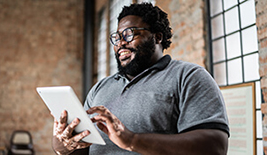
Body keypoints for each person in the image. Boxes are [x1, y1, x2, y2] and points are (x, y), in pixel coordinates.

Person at [52, 3, 229, 155]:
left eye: (129, 34)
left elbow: (216, 146)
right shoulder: (100, 88)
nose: (121, 43)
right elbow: (82, 150)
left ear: (157, 37)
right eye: (117, 37)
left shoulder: (188, 77)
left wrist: (132, 140)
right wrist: (63, 146)